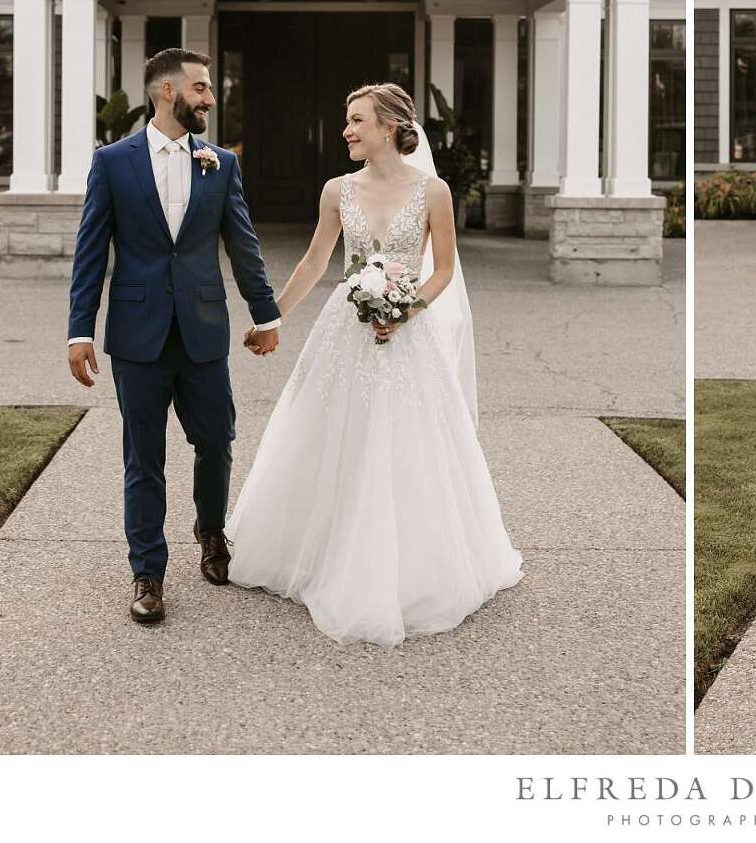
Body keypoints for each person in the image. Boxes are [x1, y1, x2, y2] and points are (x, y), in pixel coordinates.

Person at [225, 82, 522, 646]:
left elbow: (442, 272)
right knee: (332, 432)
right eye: (347, 119)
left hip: (407, 331)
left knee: (405, 441)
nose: (347, 130)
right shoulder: (337, 190)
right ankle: (324, 552)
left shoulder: (434, 192)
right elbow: (315, 261)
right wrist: (272, 317)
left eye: (356, 120)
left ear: (389, 127)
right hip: (345, 329)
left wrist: (407, 309)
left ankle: (408, 564)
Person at [68, 48, 281, 626]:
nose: (211, 98)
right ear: (168, 91)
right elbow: (91, 253)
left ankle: (211, 533)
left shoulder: (221, 163)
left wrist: (266, 314)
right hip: (136, 338)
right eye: (203, 88)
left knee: (216, 440)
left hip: (203, 331)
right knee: (144, 458)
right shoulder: (112, 162)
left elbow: (243, 245)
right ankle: (149, 574)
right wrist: (78, 331)